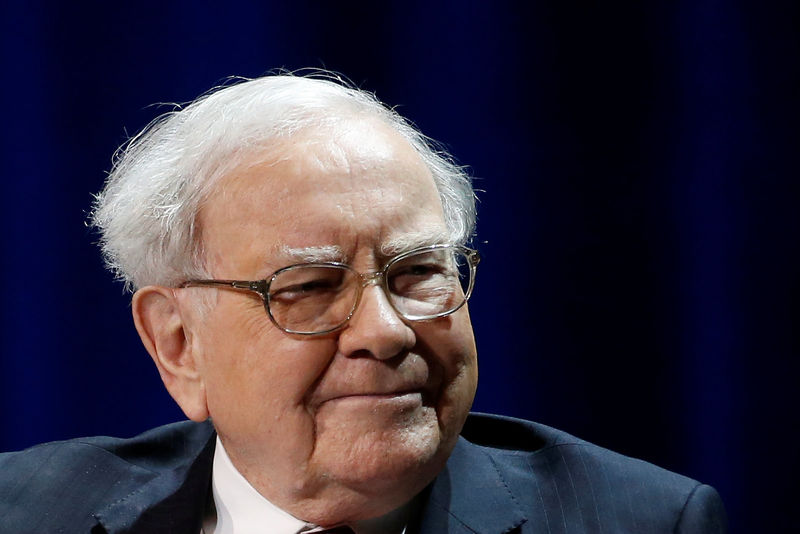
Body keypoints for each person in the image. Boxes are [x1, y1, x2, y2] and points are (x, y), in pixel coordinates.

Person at [0, 73, 727, 534]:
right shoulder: (24, 510)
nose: (383, 332)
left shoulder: (645, 520)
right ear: (179, 345)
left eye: (416, 272)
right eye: (310, 288)